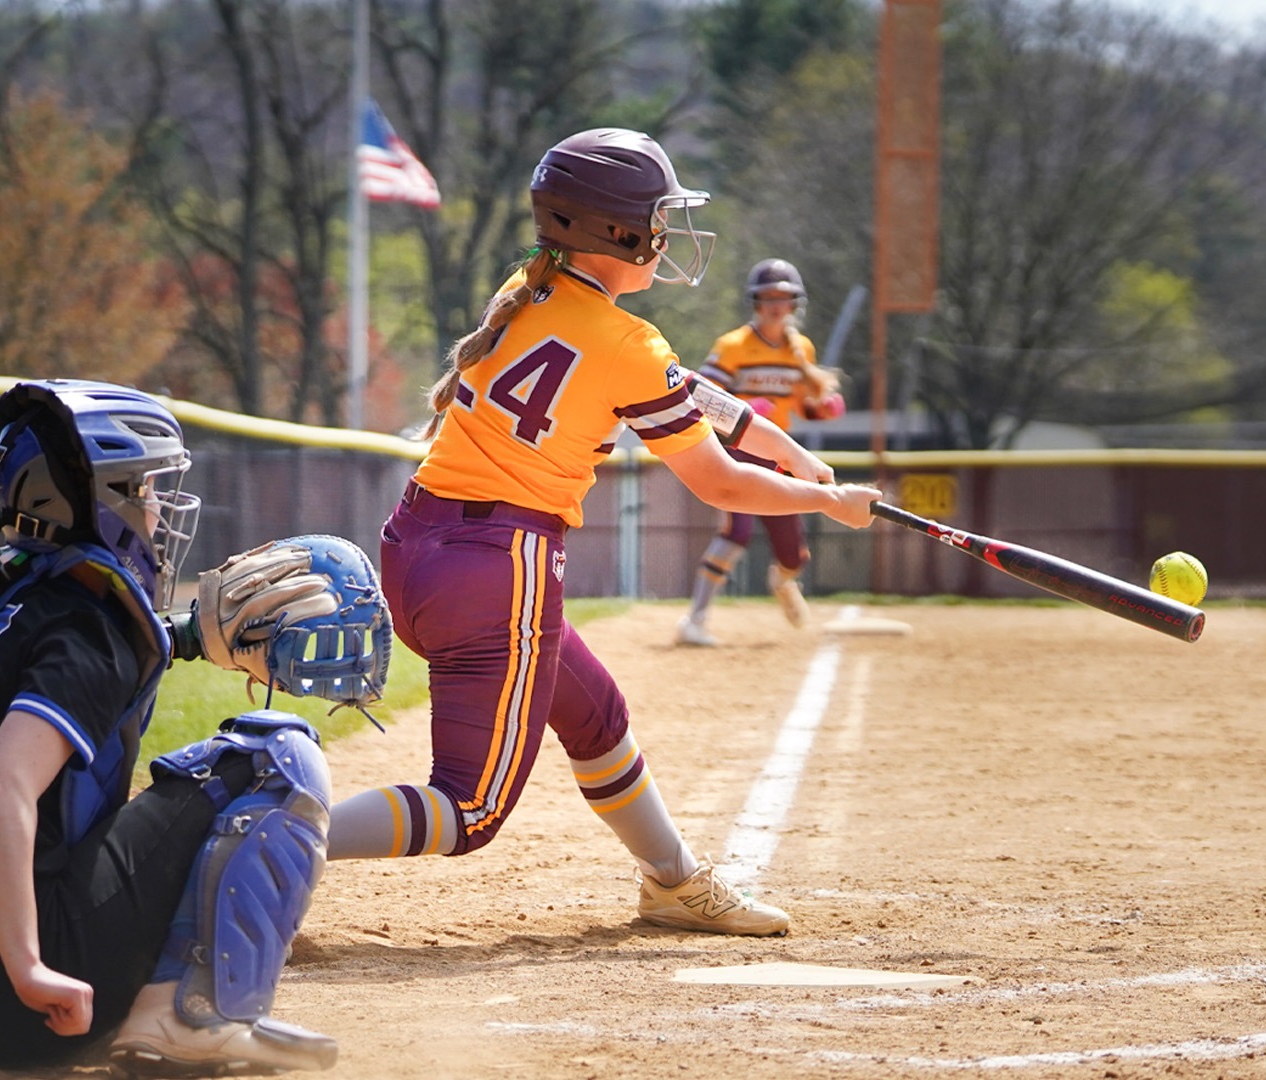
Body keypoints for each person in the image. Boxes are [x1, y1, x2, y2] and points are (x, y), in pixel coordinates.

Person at [324, 128, 882, 936]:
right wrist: (827, 505)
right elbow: (716, 481)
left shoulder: (534, 286)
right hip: (495, 567)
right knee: (469, 808)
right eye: (655, 219)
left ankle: (673, 881)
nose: (665, 234)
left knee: (595, 717)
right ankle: (274, 837)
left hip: (421, 545)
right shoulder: (626, 341)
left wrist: (791, 452)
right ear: (613, 232)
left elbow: (689, 393)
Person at [0, 379, 368, 1075]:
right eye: (145, 489)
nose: (160, 509)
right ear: (102, 501)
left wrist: (188, 636)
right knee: (275, 756)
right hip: (29, 1005)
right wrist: (28, 972)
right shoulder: (88, 627)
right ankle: (192, 1014)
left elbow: (47, 684)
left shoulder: (4, 595)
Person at [676, 257, 846, 646]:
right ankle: (695, 620)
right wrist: (746, 407)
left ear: (794, 304)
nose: (775, 304)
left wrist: (821, 408)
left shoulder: (800, 348)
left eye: (783, 297)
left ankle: (783, 582)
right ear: (756, 301)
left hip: (781, 455)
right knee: (737, 532)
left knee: (793, 554)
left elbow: (801, 405)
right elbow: (703, 396)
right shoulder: (733, 346)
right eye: (768, 296)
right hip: (738, 450)